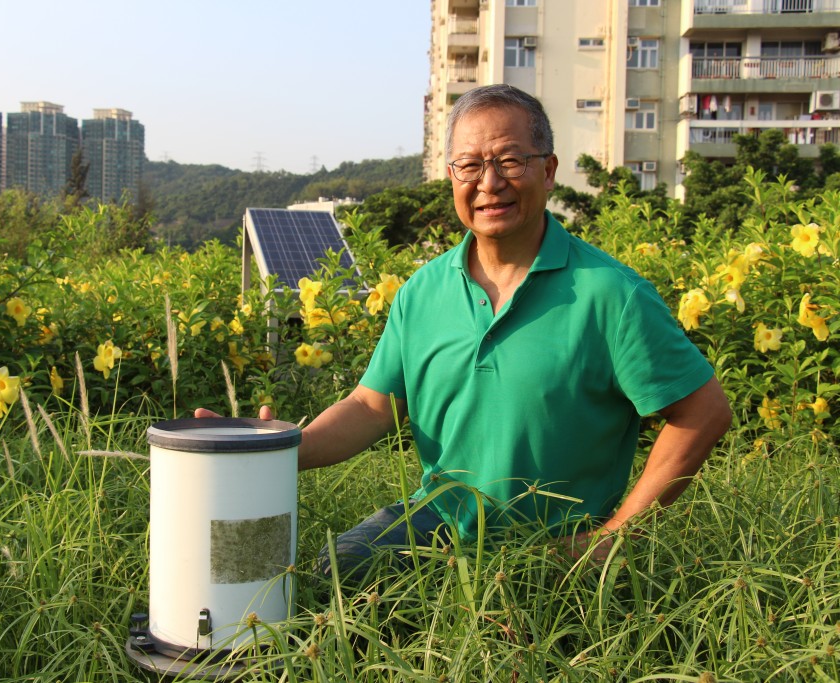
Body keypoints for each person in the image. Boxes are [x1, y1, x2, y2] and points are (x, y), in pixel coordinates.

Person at [199, 84, 732, 577]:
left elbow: (703, 412)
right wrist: (276, 448)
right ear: (451, 177)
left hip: (552, 548)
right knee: (334, 575)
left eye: (509, 161)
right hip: (438, 526)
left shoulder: (611, 295)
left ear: (548, 170)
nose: (489, 183)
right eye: (470, 165)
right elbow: (371, 406)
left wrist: (613, 539)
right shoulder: (423, 292)